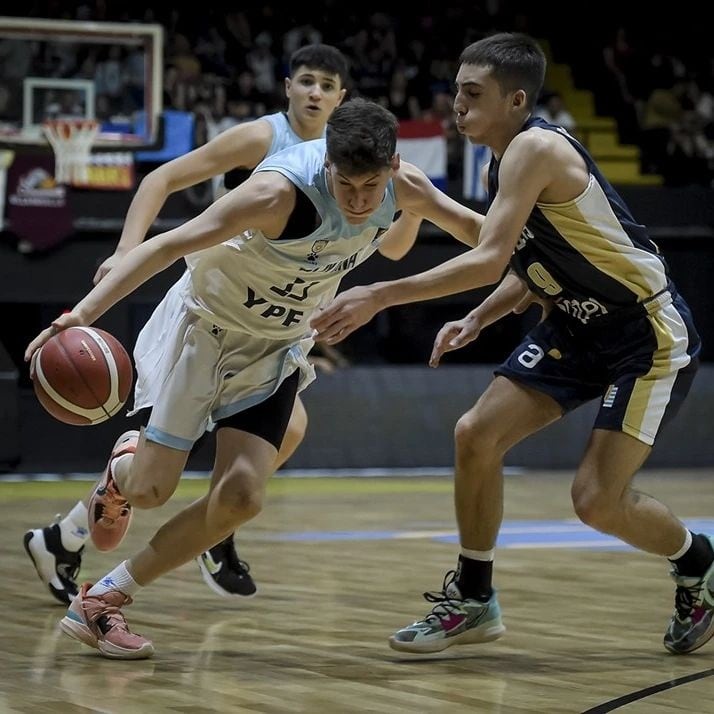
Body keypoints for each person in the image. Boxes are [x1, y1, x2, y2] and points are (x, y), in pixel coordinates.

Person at [24, 97, 481, 659]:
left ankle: (103, 600)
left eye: (371, 187)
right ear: (328, 167)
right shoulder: (276, 193)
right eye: (346, 186)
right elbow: (169, 245)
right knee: (150, 491)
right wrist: (79, 315)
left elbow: (484, 232)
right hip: (204, 331)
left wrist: (565, 249)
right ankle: (122, 476)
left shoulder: (405, 186)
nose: (360, 202)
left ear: (390, 168)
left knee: (241, 496)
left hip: (274, 349)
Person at [311, 33, 713, 656]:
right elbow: (527, 265)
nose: (458, 108)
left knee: (596, 502)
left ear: (517, 99)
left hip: (644, 332)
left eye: (473, 96)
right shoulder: (507, 160)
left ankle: (697, 562)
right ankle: (474, 600)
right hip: (577, 325)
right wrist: (479, 317)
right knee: (476, 434)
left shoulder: (535, 148)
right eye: (457, 94)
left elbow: (491, 255)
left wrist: (379, 295)